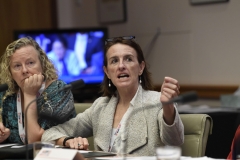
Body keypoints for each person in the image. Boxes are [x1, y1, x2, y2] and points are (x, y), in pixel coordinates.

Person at [41, 36, 184, 156]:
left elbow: (175, 141)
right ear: (107, 72)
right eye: (114, 61)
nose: (121, 66)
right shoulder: (100, 106)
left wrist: (168, 107)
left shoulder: (158, 102)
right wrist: (67, 141)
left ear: (141, 67)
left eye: (128, 59)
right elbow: (49, 134)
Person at [0, 37, 76, 144]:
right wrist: (4, 134)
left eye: (30, 63)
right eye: (17, 66)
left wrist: (29, 94)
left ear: (42, 65)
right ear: (10, 73)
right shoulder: (7, 94)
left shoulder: (58, 90)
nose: (25, 70)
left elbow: (36, 142)